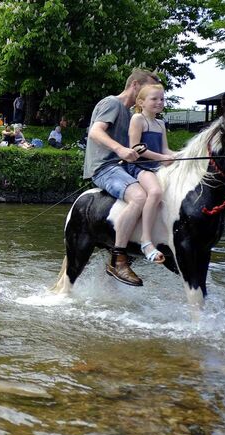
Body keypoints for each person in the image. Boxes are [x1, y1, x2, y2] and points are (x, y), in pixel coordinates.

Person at [83, 68, 162, 287]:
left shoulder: (131, 114)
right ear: (135, 86)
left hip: (123, 168)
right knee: (138, 197)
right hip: (105, 167)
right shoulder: (112, 103)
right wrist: (119, 149)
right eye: (146, 89)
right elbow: (95, 132)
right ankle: (118, 260)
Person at [127, 84, 177, 265]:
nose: (159, 102)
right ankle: (146, 240)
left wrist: (177, 155)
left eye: (162, 99)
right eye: (154, 99)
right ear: (141, 102)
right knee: (155, 192)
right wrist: (163, 157)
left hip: (157, 168)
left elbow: (165, 149)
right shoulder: (138, 119)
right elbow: (135, 148)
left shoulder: (161, 123)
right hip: (140, 167)